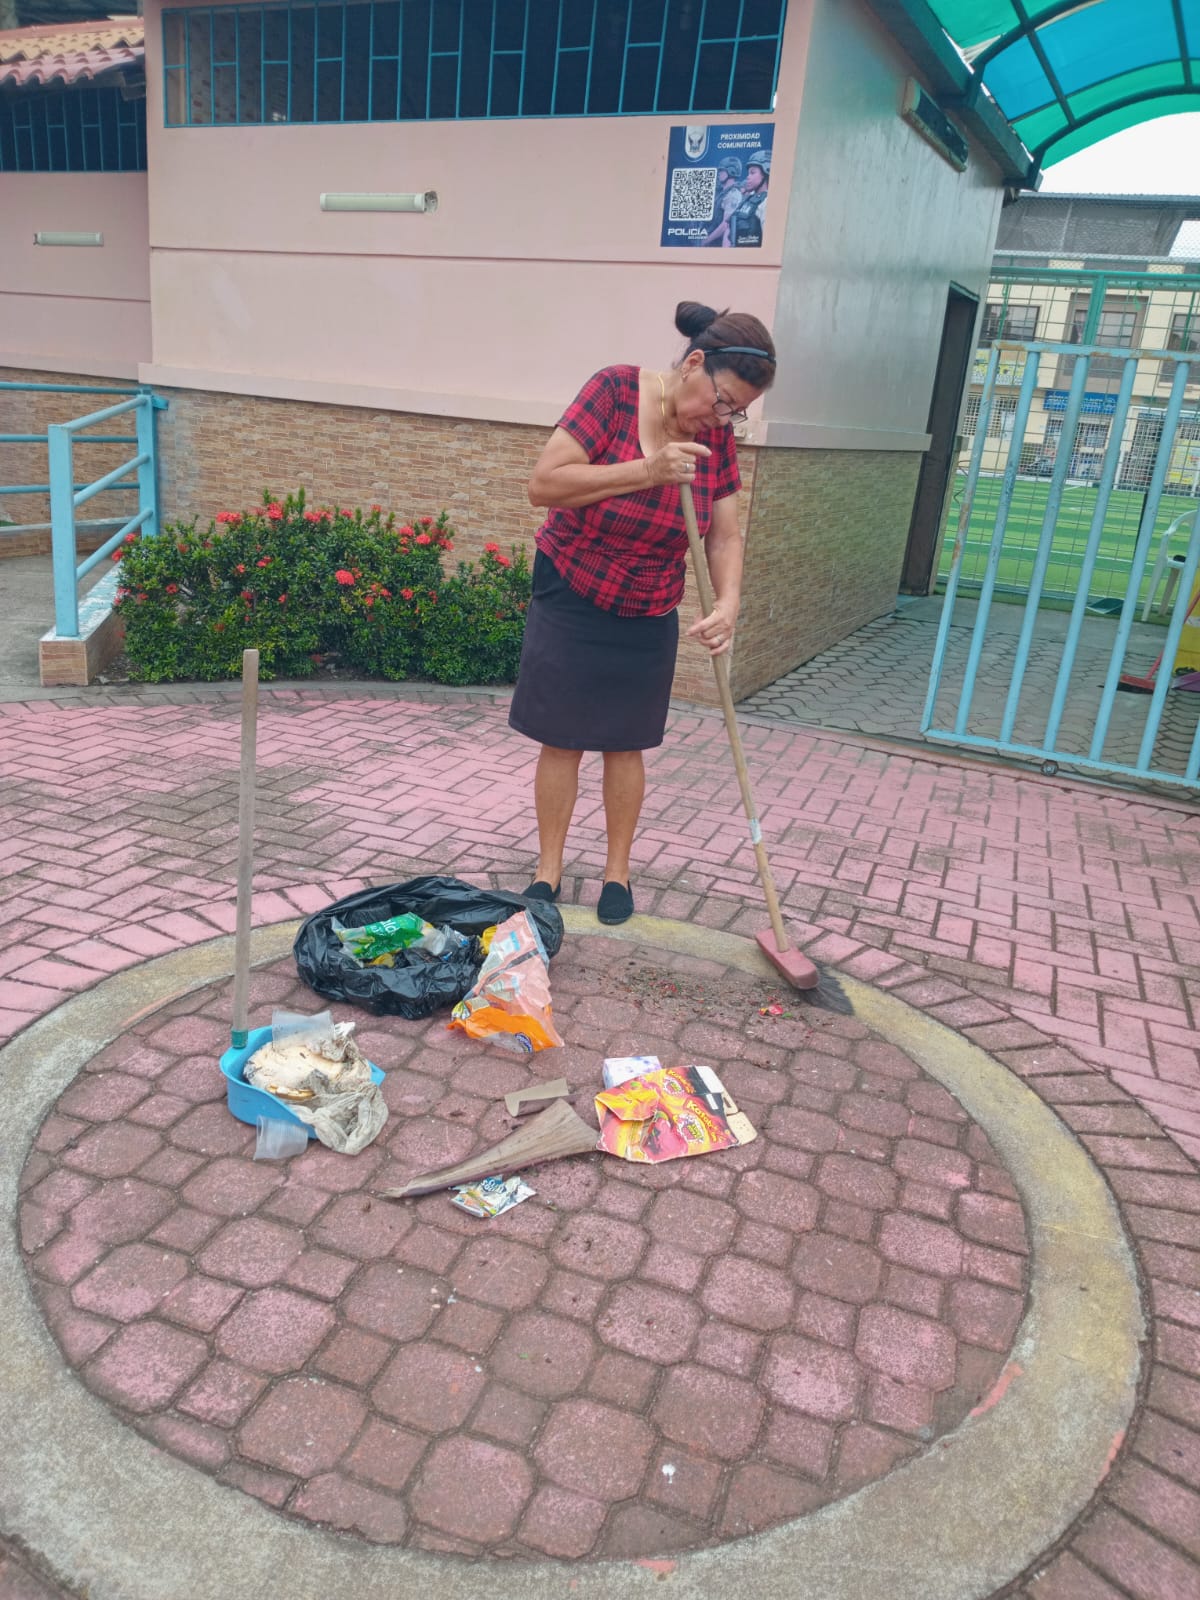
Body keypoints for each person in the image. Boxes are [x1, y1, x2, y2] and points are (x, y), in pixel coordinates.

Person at [508, 301, 777, 925]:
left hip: (650, 601)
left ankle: (617, 874)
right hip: (572, 586)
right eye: (722, 401)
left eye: (736, 412)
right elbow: (545, 484)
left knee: (625, 743)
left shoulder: (714, 437)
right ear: (694, 363)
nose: (723, 418)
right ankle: (547, 871)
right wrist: (648, 470)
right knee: (561, 737)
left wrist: (729, 602)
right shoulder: (614, 392)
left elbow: (724, 535)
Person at [701, 156, 744, 247]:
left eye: (721, 171)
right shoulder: (722, 192)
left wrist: (706, 241)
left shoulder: (733, 194)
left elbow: (726, 224)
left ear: (731, 171)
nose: (719, 173)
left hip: (718, 244)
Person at [729, 149, 769, 248]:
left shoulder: (767, 202)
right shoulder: (747, 199)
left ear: (766, 172)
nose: (748, 177)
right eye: (748, 173)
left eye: (752, 173)